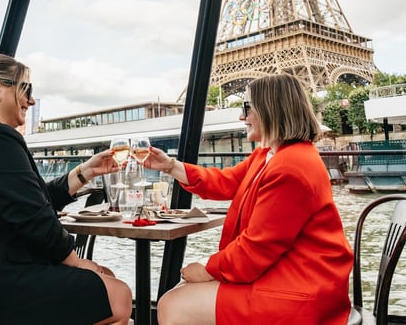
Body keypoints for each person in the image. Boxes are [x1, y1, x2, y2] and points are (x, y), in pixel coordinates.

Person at [0, 53, 132, 325]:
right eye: (26, 89)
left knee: (104, 277)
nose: (31, 100)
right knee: (119, 297)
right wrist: (79, 262)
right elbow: (35, 219)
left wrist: (87, 171)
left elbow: (34, 200)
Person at [144, 74, 353, 325]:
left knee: (174, 304)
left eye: (246, 108)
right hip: (293, 277)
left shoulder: (290, 166)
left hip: (300, 291)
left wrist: (206, 269)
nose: (242, 117)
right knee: (178, 296)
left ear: (270, 109)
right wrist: (170, 166)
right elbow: (225, 182)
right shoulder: (272, 156)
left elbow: (257, 247)